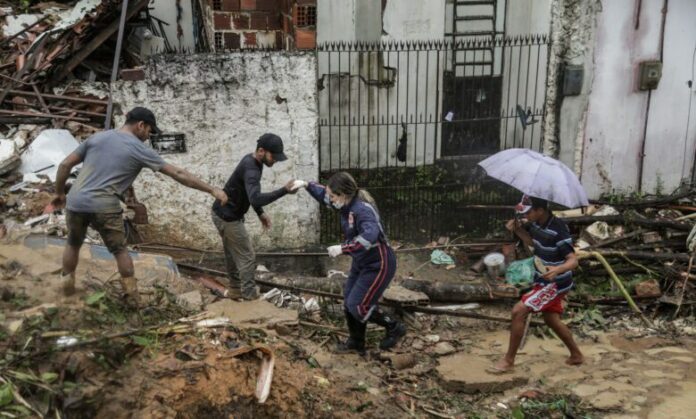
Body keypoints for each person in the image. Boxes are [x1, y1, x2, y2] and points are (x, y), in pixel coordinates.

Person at [52, 107, 228, 304]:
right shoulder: (138, 148)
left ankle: (66, 291)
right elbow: (178, 174)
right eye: (149, 131)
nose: (148, 137)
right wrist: (211, 189)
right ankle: (131, 297)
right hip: (104, 204)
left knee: (73, 244)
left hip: (76, 201)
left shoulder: (97, 138)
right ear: (141, 125)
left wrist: (59, 193)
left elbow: (65, 165)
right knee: (120, 251)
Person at [303, 172, 406, 354]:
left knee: (358, 305)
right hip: (361, 262)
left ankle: (394, 327)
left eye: (333, 196)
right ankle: (356, 342)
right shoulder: (344, 204)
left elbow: (370, 235)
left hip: (378, 264)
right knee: (349, 300)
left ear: (343, 194)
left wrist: (344, 248)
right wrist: (305, 184)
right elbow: (323, 195)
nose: (330, 199)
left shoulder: (362, 209)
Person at [490, 195, 584, 373]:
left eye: (529, 212)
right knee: (551, 319)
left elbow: (573, 261)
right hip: (543, 278)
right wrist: (518, 230)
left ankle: (509, 361)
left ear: (540, 210)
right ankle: (576, 354)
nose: (526, 216)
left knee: (518, 311)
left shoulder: (558, 229)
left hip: (555, 283)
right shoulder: (537, 224)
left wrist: (557, 270)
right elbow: (535, 243)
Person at [211, 133, 299, 300]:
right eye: (273, 156)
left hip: (222, 212)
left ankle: (236, 290)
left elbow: (249, 193)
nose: (275, 161)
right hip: (227, 217)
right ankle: (250, 298)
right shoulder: (252, 168)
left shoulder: (253, 162)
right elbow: (255, 197)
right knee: (247, 257)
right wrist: (284, 191)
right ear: (261, 151)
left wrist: (260, 213)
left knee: (233, 254)